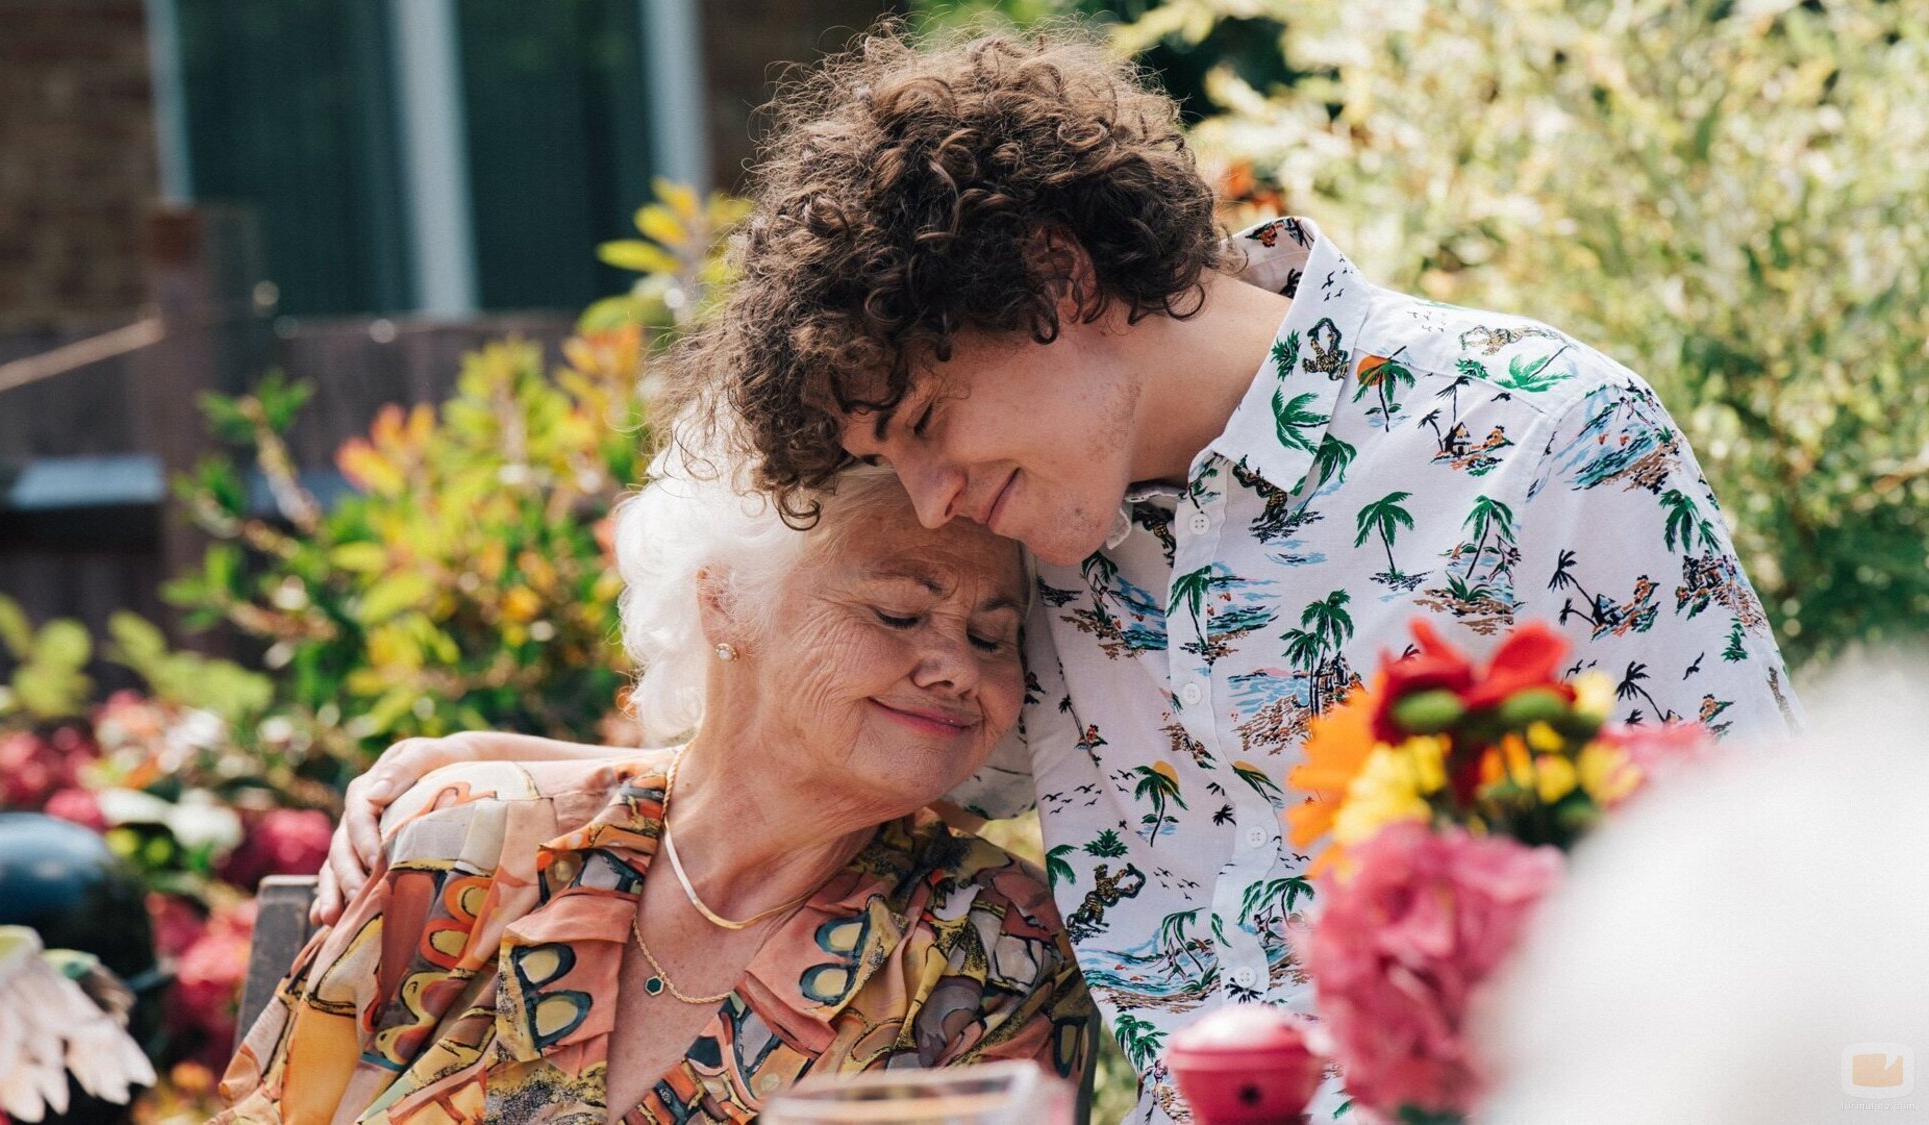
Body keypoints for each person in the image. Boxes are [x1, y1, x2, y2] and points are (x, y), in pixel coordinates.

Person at [321, 23, 1801, 1123]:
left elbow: (1779, 888)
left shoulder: (1538, 437)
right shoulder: (1049, 547)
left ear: (1055, 278)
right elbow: (830, 738)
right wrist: (504, 764)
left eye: (925, 426)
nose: (936, 499)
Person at [223, 464, 1093, 1123]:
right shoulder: (465, 845)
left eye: (993, 636)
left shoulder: (989, 948)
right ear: (724, 602)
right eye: (900, 614)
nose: (958, 670)